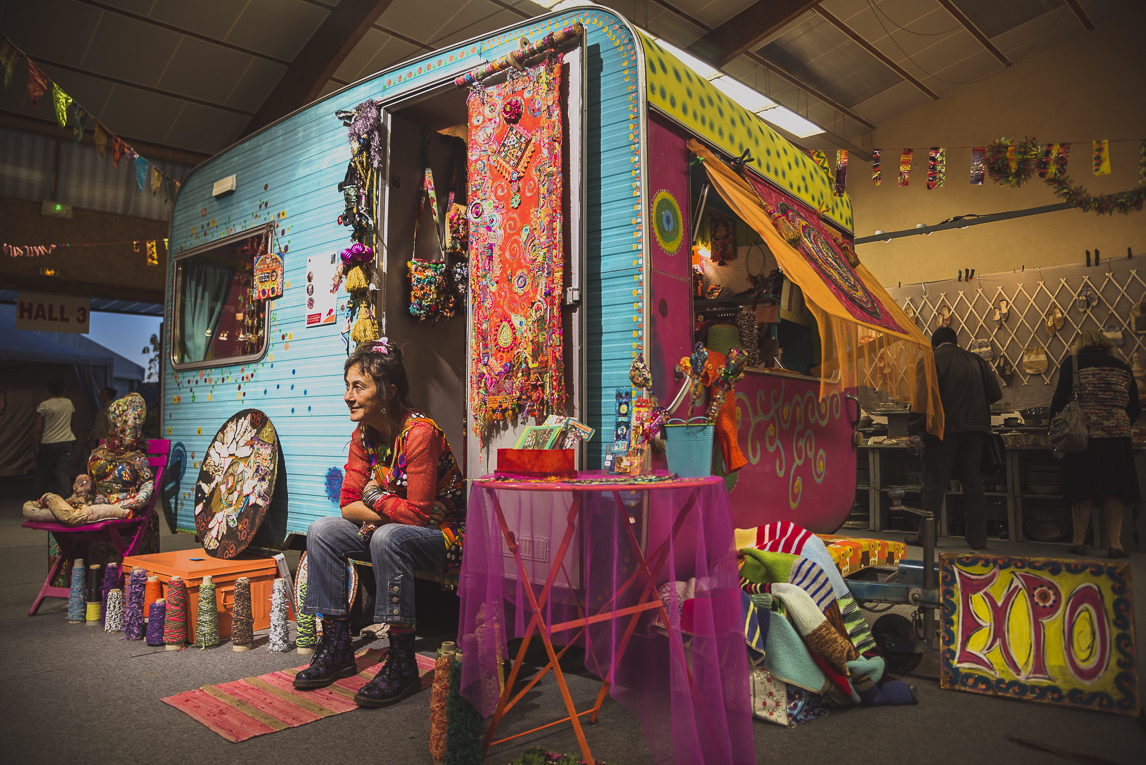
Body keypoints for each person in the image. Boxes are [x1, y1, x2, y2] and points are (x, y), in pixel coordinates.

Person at [293, 339, 465, 707]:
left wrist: (373, 497)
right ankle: (338, 647)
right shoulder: (363, 437)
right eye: (347, 385)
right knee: (323, 531)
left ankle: (401, 662)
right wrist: (391, 506)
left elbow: (417, 519)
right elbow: (346, 506)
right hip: (398, 531)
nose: (347, 396)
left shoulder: (420, 433)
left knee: (388, 538)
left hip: (448, 537)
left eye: (358, 386)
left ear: (387, 391)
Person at [907, 327, 1002, 549]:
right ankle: (978, 540)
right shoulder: (977, 361)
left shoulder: (931, 360)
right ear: (955, 341)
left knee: (934, 483)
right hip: (976, 429)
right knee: (972, 482)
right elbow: (996, 393)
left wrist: (913, 430)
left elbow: (921, 399)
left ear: (934, 344)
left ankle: (927, 537)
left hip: (942, 429)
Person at [1050, 330, 1139, 559]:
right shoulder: (1123, 367)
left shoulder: (1074, 363)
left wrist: (1053, 428)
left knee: (1083, 490)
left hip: (1083, 437)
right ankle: (1115, 545)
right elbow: (1135, 407)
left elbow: (1059, 398)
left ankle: (1078, 542)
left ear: (1080, 345)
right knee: (1114, 491)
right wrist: (1117, 422)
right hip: (1118, 437)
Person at [34, 378, 76, 497]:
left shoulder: (44, 405)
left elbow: (37, 429)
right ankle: (65, 502)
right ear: (63, 390)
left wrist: (37, 446)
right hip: (66, 442)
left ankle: (38, 502)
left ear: (48, 391)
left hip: (48, 443)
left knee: (42, 475)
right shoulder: (69, 403)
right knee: (63, 474)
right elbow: (71, 421)